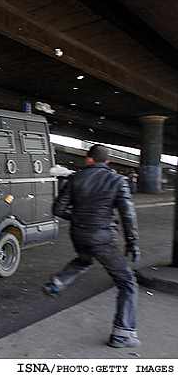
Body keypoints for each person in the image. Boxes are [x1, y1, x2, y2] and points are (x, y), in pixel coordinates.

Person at [42, 144, 141, 348]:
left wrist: (78, 217)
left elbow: (58, 209)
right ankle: (123, 334)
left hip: (79, 235)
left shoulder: (74, 179)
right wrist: (132, 241)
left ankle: (58, 283)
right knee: (127, 282)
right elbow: (127, 214)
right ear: (106, 162)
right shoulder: (117, 180)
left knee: (85, 259)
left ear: (88, 159)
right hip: (101, 238)